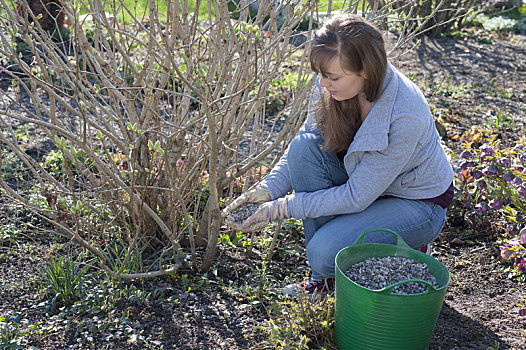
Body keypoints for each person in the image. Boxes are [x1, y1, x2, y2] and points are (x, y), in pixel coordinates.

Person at [222, 13, 454, 296]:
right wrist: (270, 189)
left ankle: (407, 244)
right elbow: (303, 148)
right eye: (321, 74)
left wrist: (282, 208)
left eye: (332, 77)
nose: (322, 83)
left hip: (415, 203)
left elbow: (356, 197)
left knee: (322, 251)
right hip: (365, 184)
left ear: (365, 71)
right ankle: (325, 281)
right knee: (305, 148)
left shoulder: (405, 112)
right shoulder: (331, 84)